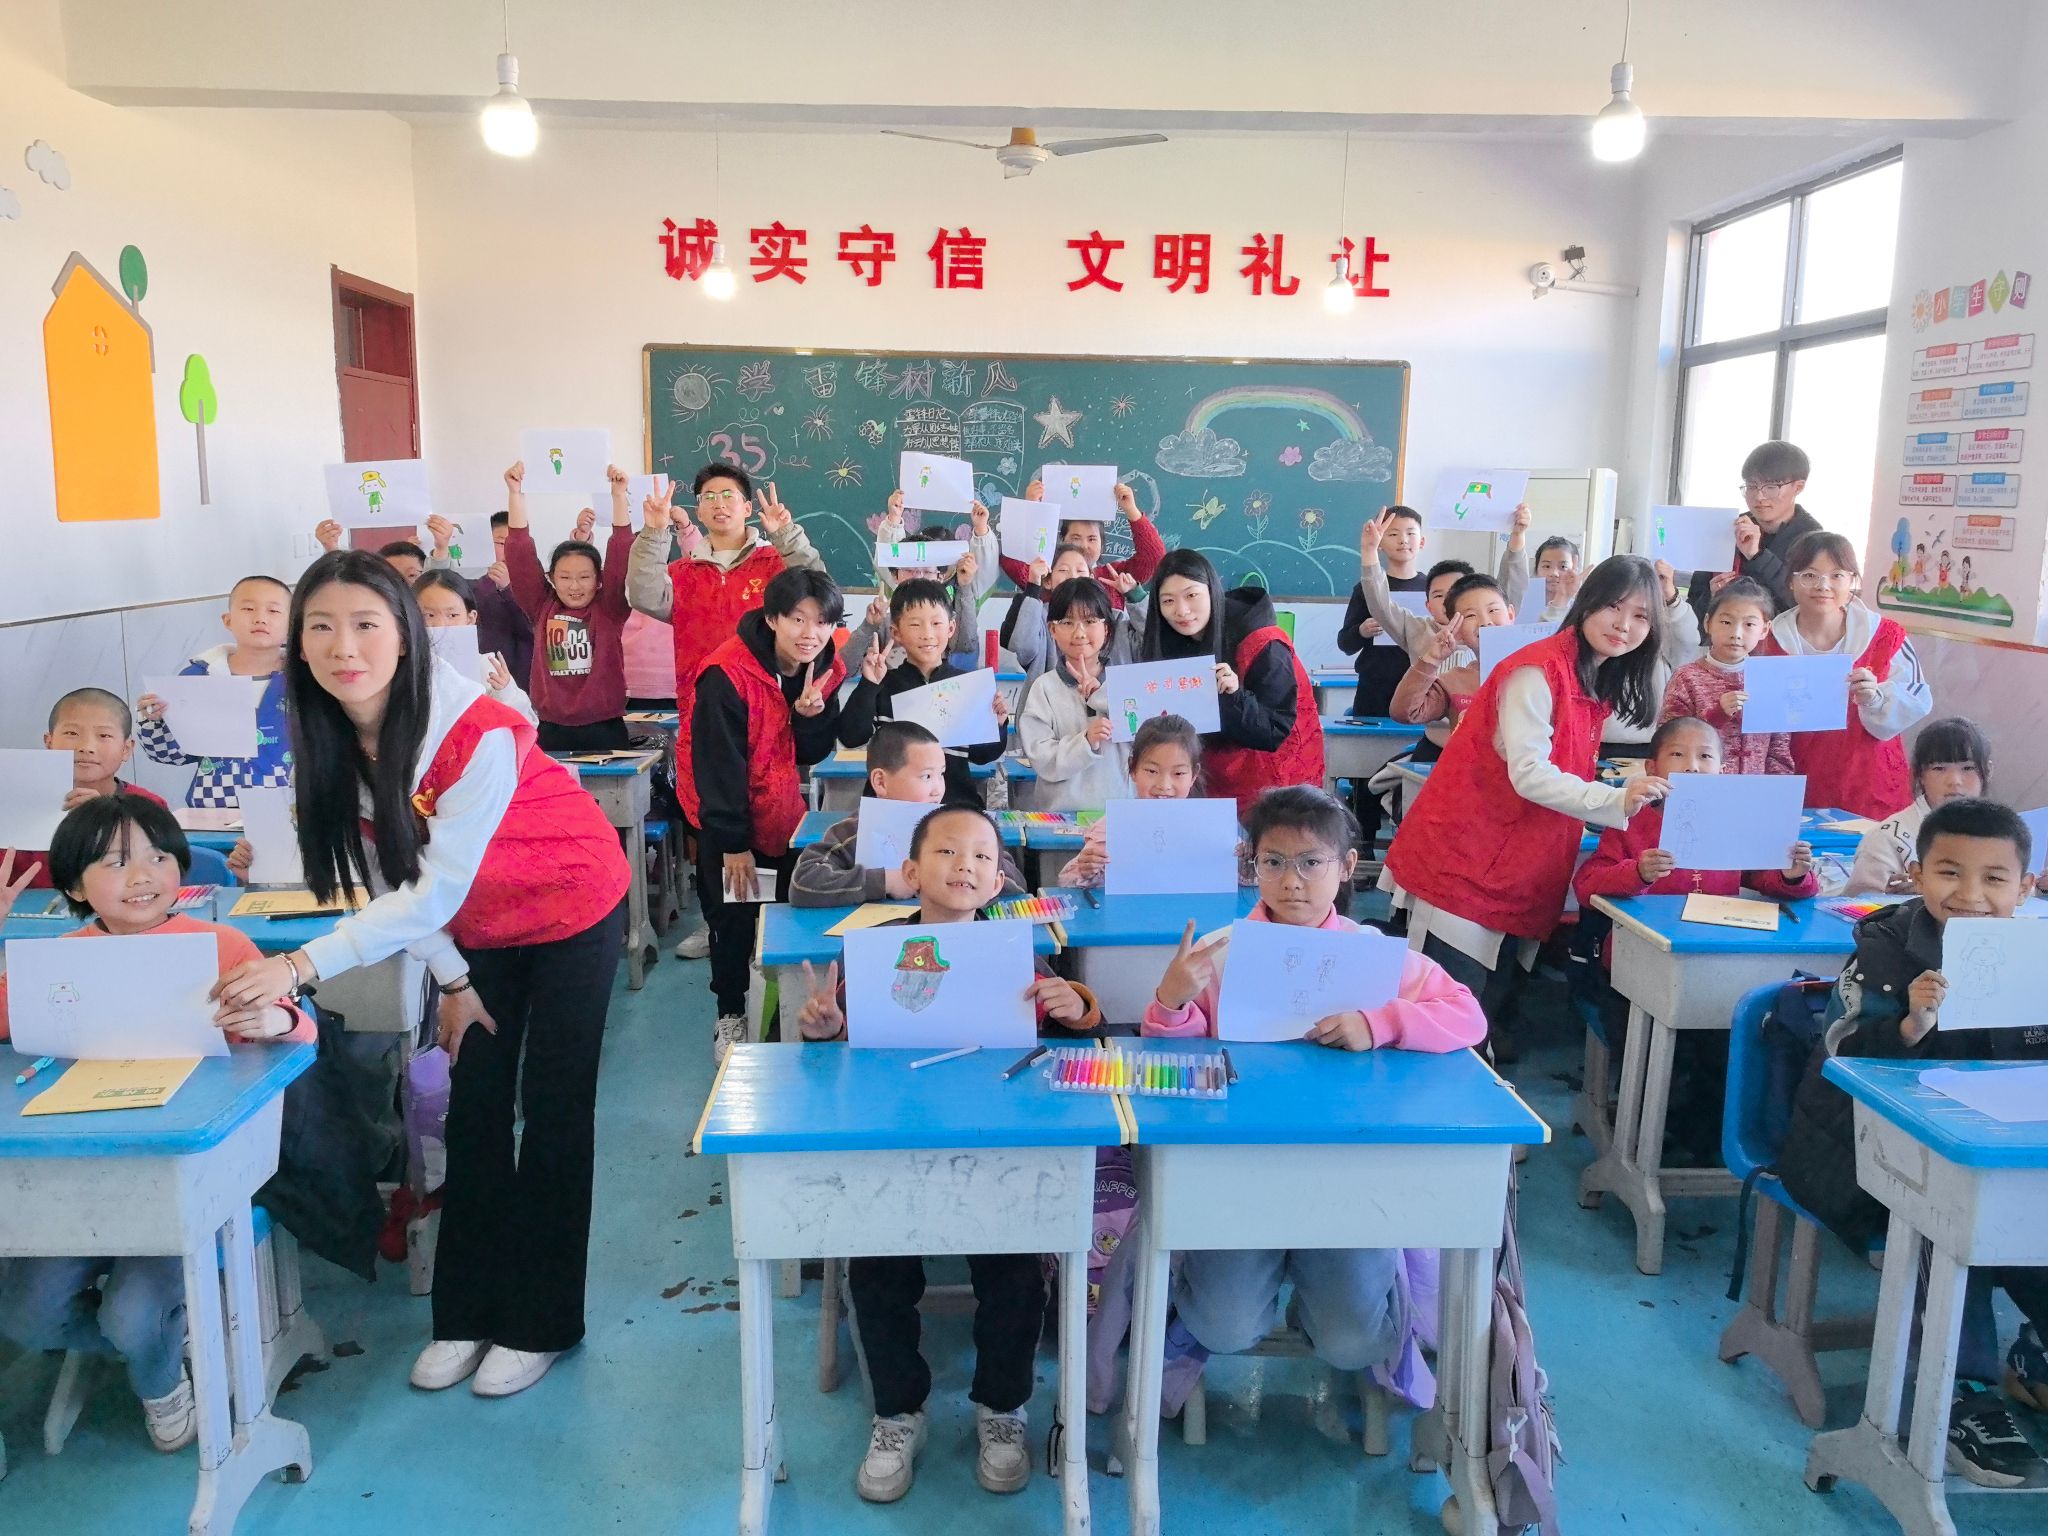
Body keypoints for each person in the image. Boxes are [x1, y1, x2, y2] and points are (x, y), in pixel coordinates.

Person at [210, 550, 630, 1400]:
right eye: (321, 627)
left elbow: (434, 886)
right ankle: (466, 1315)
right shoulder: (329, 736)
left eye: (365, 624)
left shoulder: (473, 727)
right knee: (474, 1112)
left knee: (553, 1114)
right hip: (479, 929)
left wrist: (299, 964)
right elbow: (393, 879)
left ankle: (543, 1322)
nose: (343, 646)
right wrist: (454, 981)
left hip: (572, 906)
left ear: (404, 635)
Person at [791, 804, 1100, 1502]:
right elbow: (835, 1053)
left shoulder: (1016, 950)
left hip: (997, 1147)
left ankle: (1003, 1407)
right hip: (895, 1143)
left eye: (982, 857)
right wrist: (826, 1028)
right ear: (910, 870)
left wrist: (1075, 1007)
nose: (965, 866)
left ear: (998, 881)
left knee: (1017, 1271)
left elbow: (1073, 1036)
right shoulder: (874, 950)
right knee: (876, 1271)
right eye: (947, 852)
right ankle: (897, 1413)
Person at [1142, 787, 1482, 1402]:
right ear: (1252, 865)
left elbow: (1467, 1015)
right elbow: (1170, 1065)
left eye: (1310, 862)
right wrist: (1170, 1002)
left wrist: (1380, 1022)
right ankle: (1223, 1298)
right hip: (1238, 1170)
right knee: (1223, 1327)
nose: (1291, 880)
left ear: (1347, 867)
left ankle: (1335, 1298)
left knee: (1353, 1342)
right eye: (1273, 862)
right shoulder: (1219, 953)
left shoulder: (1371, 956)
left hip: (1346, 1173)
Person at [0, 798, 312, 1454]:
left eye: (159, 856)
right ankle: (169, 1336)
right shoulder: (60, 961)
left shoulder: (222, 946)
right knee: (26, 1313)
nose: (143, 875)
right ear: (74, 885)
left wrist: (276, 1020)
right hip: (83, 1174)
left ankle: (158, 1377)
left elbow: (298, 1025)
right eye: (116, 863)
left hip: (181, 1171)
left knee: (132, 1312)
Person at [1777, 798, 2048, 1489]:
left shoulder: (2036, 954)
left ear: (2025, 887)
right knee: (1945, 1220)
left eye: (1994, 878)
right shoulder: (1885, 947)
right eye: (1949, 872)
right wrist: (1910, 1026)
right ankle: (1960, 1391)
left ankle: (2033, 1356)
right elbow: (1840, 1049)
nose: (1970, 894)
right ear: (1917, 875)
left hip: (1995, 1146)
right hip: (1859, 1150)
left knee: (2028, 1214)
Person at [1385, 556, 1671, 1059]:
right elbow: (1530, 773)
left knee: (1486, 1009)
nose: (1624, 625)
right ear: (1587, 604)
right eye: (1612, 606)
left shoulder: (1588, 674)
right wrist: (1613, 798)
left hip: (1517, 862)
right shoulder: (1537, 669)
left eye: (1641, 616)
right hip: (1466, 861)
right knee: (1447, 1018)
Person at [626, 467, 826, 960]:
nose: (719, 503)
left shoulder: (772, 562)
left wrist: (786, 534)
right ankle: (719, 926)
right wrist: (654, 532)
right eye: (709, 496)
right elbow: (643, 595)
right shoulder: (683, 573)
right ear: (698, 508)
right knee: (712, 823)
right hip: (703, 721)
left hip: (769, 717)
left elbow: (816, 588)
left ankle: (765, 928)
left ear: (747, 506)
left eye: (729, 495)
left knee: (768, 822)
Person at [687, 567, 860, 1059]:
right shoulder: (726, 673)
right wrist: (732, 844)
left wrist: (809, 717)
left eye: (822, 622)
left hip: (785, 816)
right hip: (730, 822)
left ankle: (789, 1014)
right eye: (798, 620)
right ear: (772, 618)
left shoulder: (821, 666)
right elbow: (717, 765)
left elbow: (812, 752)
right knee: (733, 921)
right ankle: (730, 1013)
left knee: (788, 920)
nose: (811, 634)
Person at [1758, 530, 1931, 818]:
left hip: (1870, 783)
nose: (1823, 586)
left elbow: (1917, 699)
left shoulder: (1885, 637)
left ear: (1852, 581)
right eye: (1809, 575)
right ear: (1790, 580)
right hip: (1790, 779)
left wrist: (1875, 698)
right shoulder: (1766, 640)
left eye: (1837, 575)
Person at [1141, 549, 1322, 814]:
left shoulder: (1263, 642)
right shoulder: (1173, 643)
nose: (1182, 610)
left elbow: (1273, 730)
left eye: (1192, 595)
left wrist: (1234, 695)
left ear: (1212, 591)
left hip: (1274, 786)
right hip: (1212, 780)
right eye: (1168, 601)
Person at [790, 720, 1027, 907]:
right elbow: (803, 883)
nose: (938, 788)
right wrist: (886, 881)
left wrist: (957, 873)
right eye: (926, 776)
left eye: (941, 774)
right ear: (880, 782)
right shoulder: (854, 832)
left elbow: (1015, 882)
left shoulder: (957, 831)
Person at [840, 577, 1010, 806]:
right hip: (894, 808)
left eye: (936, 623)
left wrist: (997, 725)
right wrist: (869, 685)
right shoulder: (883, 684)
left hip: (952, 807)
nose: (927, 633)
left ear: (951, 628)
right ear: (896, 632)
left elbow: (982, 755)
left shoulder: (967, 686)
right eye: (915, 624)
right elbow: (851, 737)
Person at [502, 462, 636, 751]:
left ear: (599, 580)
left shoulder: (610, 609)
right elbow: (519, 552)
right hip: (551, 729)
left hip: (605, 727)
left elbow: (622, 550)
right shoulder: (541, 605)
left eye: (584, 577)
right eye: (564, 577)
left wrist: (618, 496)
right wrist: (515, 494)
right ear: (551, 578)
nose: (574, 586)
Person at [137, 574, 294, 809]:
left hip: (287, 809)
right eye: (248, 608)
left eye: (273, 611)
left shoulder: (306, 680)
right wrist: (153, 721)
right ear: (228, 620)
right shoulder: (198, 677)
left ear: (292, 625)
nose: (260, 618)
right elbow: (172, 754)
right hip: (214, 808)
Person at [20, 689, 168, 889]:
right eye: (72, 733)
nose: (86, 747)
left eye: (104, 735)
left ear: (126, 749)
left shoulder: (149, 805)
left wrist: (102, 818)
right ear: (49, 742)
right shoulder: (20, 805)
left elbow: (162, 872)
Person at [1015, 577, 1133, 811]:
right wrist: (1085, 742)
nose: (1079, 633)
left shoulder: (1127, 685)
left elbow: (1145, 742)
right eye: (1067, 622)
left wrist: (1103, 696)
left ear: (1106, 629)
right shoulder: (1044, 688)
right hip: (1060, 816)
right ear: (1052, 629)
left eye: (1090, 621)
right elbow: (1040, 756)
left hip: (1120, 814)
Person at [1658, 577, 1792, 776]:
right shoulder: (1687, 677)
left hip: (1754, 788)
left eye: (1749, 624)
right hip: (1701, 785)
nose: (1736, 633)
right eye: (1726, 622)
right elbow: (1668, 739)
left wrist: (1779, 784)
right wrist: (1715, 715)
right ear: (1708, 623)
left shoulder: (1770, 680)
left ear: (1765, 629)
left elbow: (1779, 747)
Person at [1843, 717, 1991, 896]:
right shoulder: (1885, 839)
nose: (1955, 781)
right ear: (1920, 775)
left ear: (1987, 771)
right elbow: (1858, 905)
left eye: (1968, 768)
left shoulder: (2003, 834)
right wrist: (1895, 902)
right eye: (1939, 768)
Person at [1684, 440, 1823, 623]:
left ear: (1798, 487)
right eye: (1751, 486)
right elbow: (1693, 608)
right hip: (1721, 636)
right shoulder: (1728, 528)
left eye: (1771, 487)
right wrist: (1712, 597)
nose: (1759, 496)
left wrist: (1757, 556)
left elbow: (1805, 603)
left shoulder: (1814, 539)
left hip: (1780, 638)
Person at [1063, 714, 1205, 888]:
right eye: (1152, 771)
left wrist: (1236, 862)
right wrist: (1085, 870)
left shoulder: (1209, 828)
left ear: (1193, 775)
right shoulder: (1111, 828)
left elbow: (1224, 876)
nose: (1164, 785)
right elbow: (1066, 880)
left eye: (1178, 773)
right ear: (1133, 769)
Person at [1388, 572, 1520, 748]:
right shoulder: (1452, 682)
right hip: (1469, 765)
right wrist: (1431, 659)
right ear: (1457, 631)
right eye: (1470, 615)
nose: (1485, 622)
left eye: (1493, 610)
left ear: (1510, 614)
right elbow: (1405, 712)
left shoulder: (1537, 671)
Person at [995, 480, 1164, 612]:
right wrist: (1031, 509)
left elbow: (1154, 558)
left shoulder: (1114, 577)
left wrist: (1131, 510)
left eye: (1092, 539)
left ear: (1102, 545)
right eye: (1075, 538)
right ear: (1062, 540)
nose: (1083, 546)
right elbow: (1011, 559)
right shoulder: (1046, 575)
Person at [1337, 504, 1432, 716]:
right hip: (1375, 687)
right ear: (1379, 543)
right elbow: (1345, 643)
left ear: (1422, 541)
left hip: (1421, 687)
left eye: (1410, 533)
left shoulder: (1433, 589)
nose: (1403, 540)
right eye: (1393, 534)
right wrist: (1361, 631)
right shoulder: (1366, 588)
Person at [1001, 543, 1145, 683]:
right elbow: (1021, 651)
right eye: (1063, 570)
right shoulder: (1040, 618)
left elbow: (1151, 643)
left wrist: (1135, 595)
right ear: (1048, 581)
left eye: (1080, 571)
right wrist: (1033, 586)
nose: (1073, 576)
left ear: (1091, 578)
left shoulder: (1113, 619)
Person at [414, 569, 538, 724]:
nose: (440, 624)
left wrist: (505, 691)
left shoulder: (487, 667)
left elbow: (526, 723)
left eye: (452, 615)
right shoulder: (401, 666)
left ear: (470, 618)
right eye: (429, 615)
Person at [427, 509, 534, 687]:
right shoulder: (473, 583)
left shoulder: (534, 584)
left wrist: (507, 589)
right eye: (501, 543)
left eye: (517, 545)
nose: (509, 550)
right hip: (474, 678)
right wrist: (441, 549)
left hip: (519, 683)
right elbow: (438, 591)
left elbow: (533, 628)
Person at [1498, 505, 1582, 624]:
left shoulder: (1582, 610)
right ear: (1536, 569)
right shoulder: (1521, 601)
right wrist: (1518, 533)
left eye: (1563, 567)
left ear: (1575, 569)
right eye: (1546, 566)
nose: (1554, 573)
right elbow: (1514, 563)